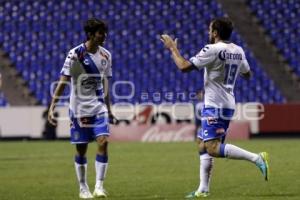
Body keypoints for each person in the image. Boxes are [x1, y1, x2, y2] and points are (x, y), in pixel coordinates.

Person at [160, 17, 269, 198]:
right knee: (202, 143)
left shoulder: (212, 49)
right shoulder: (238, 50)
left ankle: (257, 158)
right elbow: (248, 74)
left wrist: (172, 48)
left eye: (210, 30)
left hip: (215, 105)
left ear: (216, 33)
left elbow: (184, 66)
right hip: (226, 103)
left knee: (212, 147)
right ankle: (203, 189)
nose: (208, 33)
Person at [48, 18, 116, 199]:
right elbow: (63, 82)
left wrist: (108, 109)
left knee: (103, 141)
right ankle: (83, 187)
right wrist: (52, 106)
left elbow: (105, 83)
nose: (104, 36)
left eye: (104, 32)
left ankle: (99, 187)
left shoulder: (106, 56)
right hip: (78, 110)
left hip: (98, 108)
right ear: (91, 35)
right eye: (101, 33)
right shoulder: (75, 55)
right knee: (81, 149)